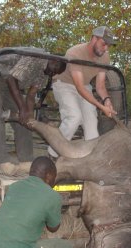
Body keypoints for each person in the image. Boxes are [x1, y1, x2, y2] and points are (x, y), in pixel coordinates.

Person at [0, 49, 66, 175]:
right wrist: (22, 108)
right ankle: (1, 161)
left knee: (24, 121)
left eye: (55, 73)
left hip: (10, 87)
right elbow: (11, 79)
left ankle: (26, 160)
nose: (53, 74)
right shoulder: (36, 57)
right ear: (53, 59)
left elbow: (31, 95)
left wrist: (29, 115)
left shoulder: (45, 73)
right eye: (55, 69)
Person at [48, 26, 117, 159]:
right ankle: (53, 153)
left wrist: (106, 100)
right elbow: (79, 88)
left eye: (109, 45)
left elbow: (100, 86)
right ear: (94, 38)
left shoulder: (105, 57)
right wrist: (101, 107)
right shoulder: (75, 53)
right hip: (64, 85)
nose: (106, 48)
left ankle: (91, 158)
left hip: (85, 86)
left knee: (91, 120)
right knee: (74, 117)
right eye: (104, 44)